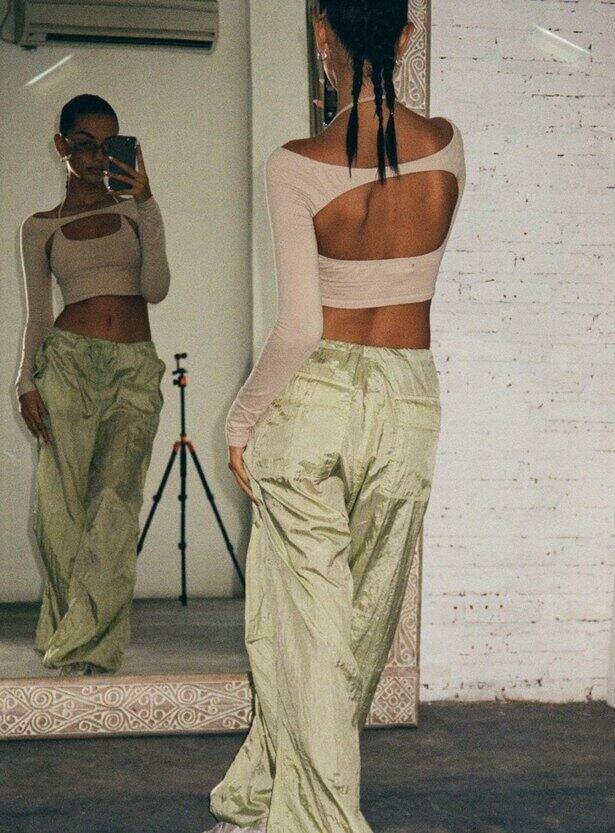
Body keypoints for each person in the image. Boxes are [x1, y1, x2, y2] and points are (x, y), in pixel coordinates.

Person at [207, 1, 465, 830]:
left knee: (304, 629)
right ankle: (266, 792)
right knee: (355, 626)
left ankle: (315, 819)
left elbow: (299, 328)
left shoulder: (297, 163)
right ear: (405, 36)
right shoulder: (449, 145)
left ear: (322, 35)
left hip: (314, 402)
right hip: (408, 401)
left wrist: (241, 421)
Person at [15, 94, 171, 675]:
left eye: (108, 146)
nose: (96, 157)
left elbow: (155, 289)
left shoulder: (135, 212)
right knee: (57, 513)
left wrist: (148, 203)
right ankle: (69, 631)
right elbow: (37, 316)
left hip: (133, 370)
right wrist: (24, 384)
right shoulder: (38, 228)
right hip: (66, 368)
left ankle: (91, 643)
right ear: (62, 145)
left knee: (114, 504)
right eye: (84, 144)